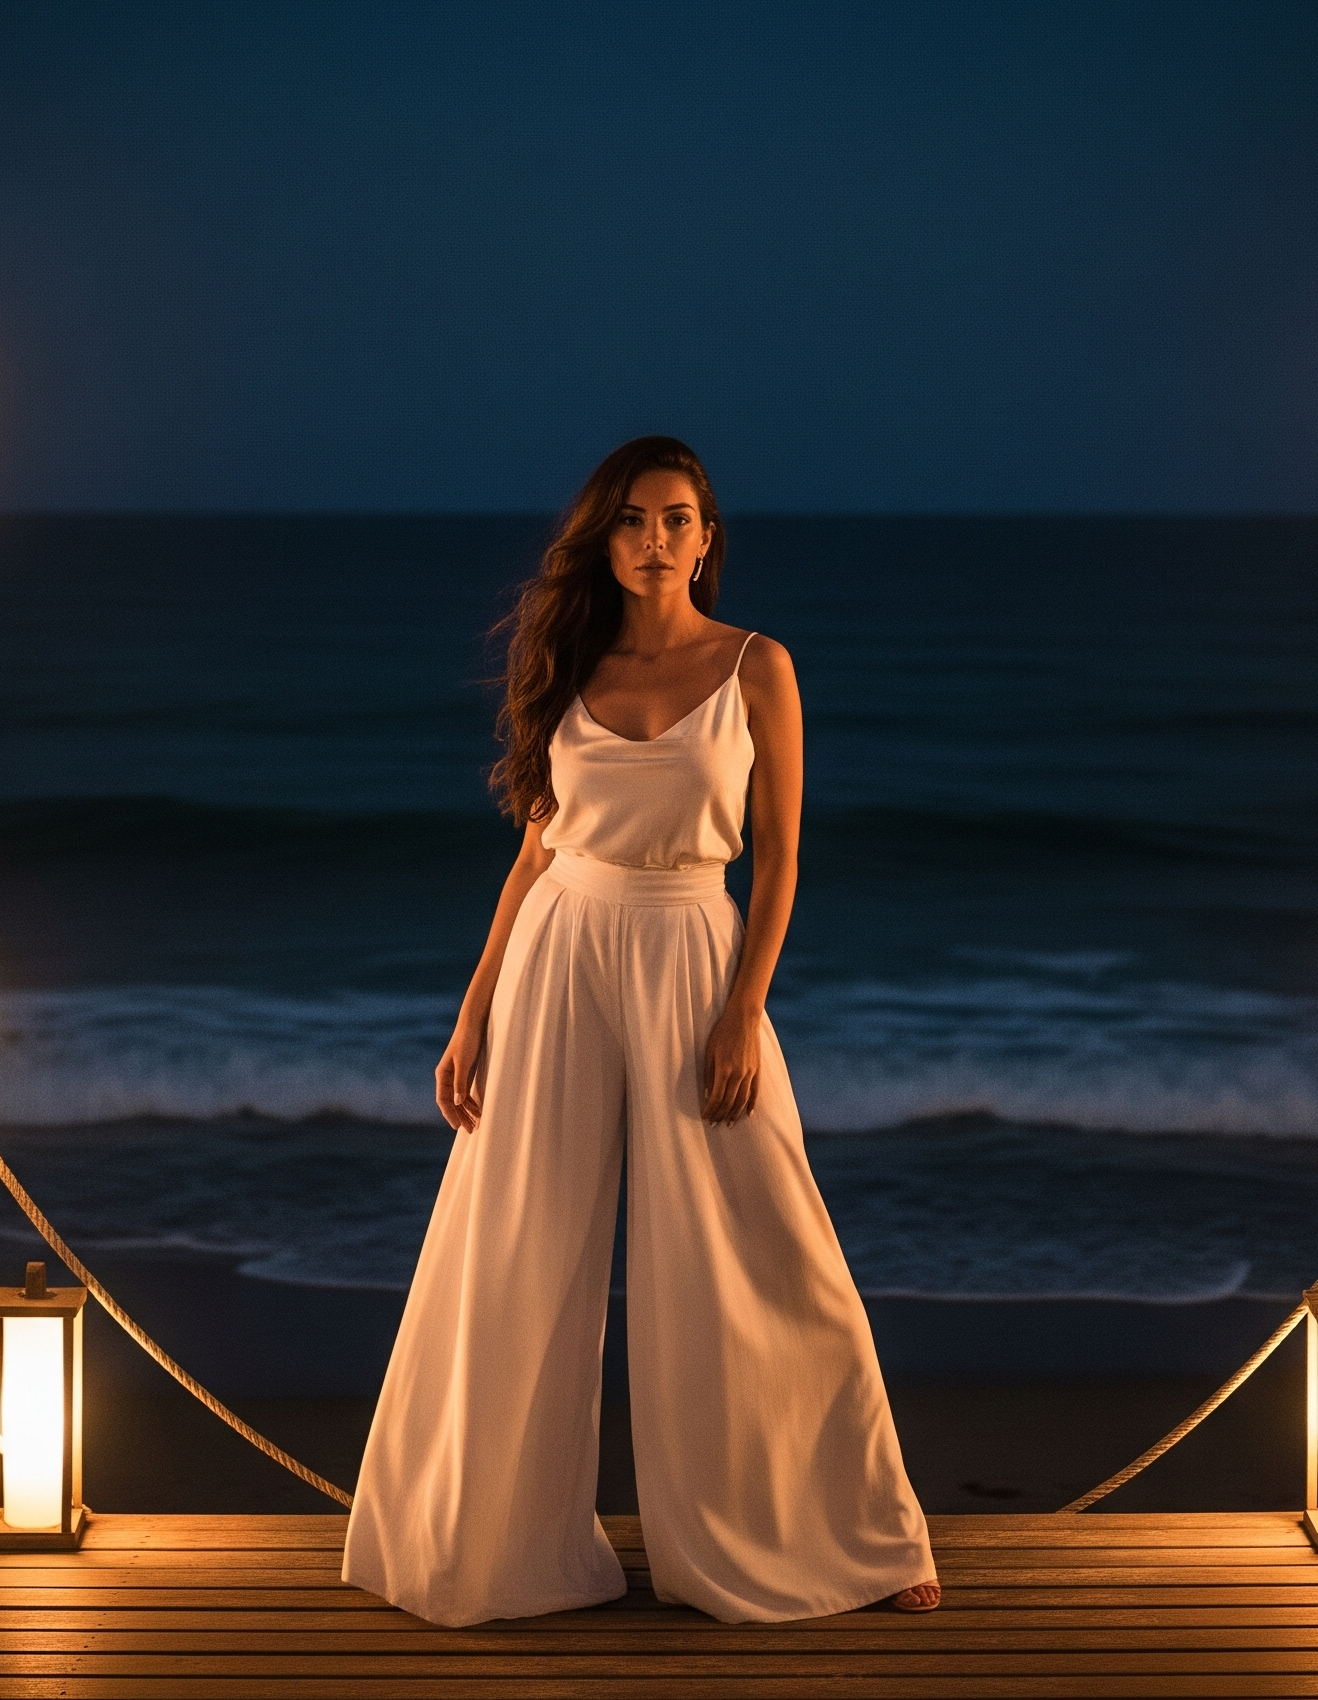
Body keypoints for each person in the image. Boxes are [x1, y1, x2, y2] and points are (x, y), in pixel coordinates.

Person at [343, 436, 939, 1626]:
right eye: (630, 520)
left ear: (708, 536)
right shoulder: (567, 663)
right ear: (602, 540)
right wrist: (472, 1011)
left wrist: (741, 1009)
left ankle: (865, 1534)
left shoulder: (756, 666)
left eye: (675, 518)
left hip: (690, 953)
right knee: (510, 1240)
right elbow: (532, 856)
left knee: (764, 1239)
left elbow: (778, 861)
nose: (654, 539)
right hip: (558, 951)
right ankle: (480, 1543)